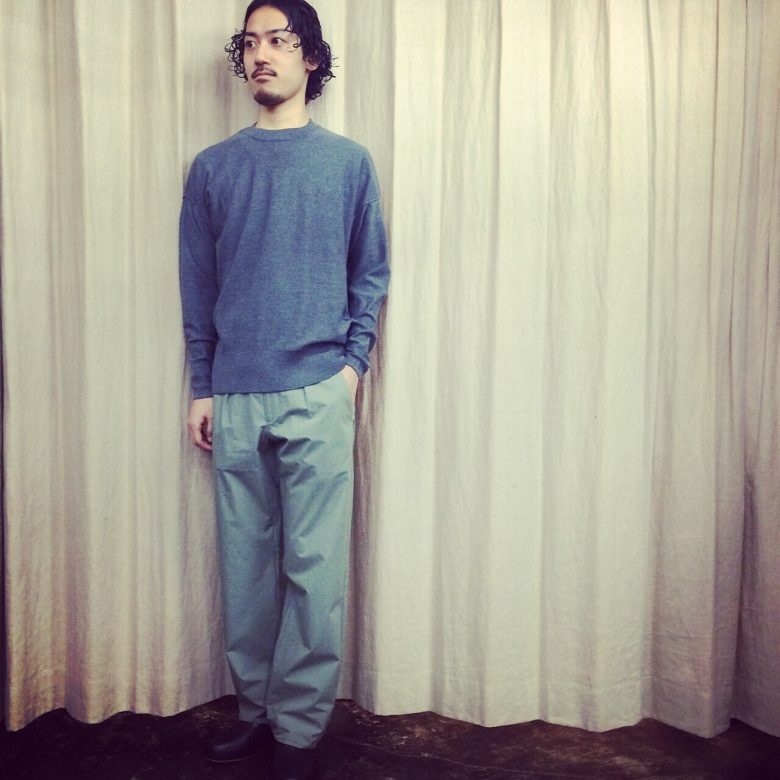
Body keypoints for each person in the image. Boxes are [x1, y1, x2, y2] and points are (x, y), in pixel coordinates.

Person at [178, 1, 390, 777]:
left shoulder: (348, 163)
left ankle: (298, 732)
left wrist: (351, 367)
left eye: (279, 40)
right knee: (246, 572)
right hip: (236, 394)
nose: (261, 54)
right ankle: (257, 714)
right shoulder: (213, 168)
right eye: (250, 43)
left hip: (318, 389)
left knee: (314, 571)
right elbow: (197, 286)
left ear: (311, 58)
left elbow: (371, 272)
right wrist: (203, 384)